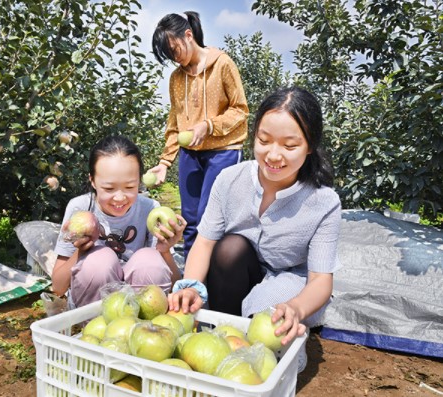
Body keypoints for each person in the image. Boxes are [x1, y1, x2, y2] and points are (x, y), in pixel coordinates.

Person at [168, 86, 342, 372]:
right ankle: (220, 333)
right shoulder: (229, 180)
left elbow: (321, 280)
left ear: (309, 146)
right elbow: (204, 242)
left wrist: (296, 308)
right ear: (254, 137)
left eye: (289, 146)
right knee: (229, 248)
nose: (273, 155)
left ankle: (258, 350)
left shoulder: (323, 202)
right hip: (238, 274)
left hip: (288, 281)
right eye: (264, 140)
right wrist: (192, 286)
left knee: (270, 335)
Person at [148, 11, 249, 259]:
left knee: (210, 216)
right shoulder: (176, 78)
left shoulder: (222, 64)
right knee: (190, 218)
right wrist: (164, 163)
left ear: (188, 35)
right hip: (190, 153)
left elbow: (240, 110)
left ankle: (219, 273)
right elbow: (175, 121)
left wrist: (208, 126)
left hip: (224, 150)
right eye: (169, 55)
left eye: (175, 49)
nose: (175, 58)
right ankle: (193, 280)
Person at [52, 135, 186, 307]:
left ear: (139, 181)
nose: (120, 197)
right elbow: (58, 288)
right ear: (92, 181)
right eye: (109, 188)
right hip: (93, 311)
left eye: (130, 187)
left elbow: (174, 285)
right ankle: (91, 325)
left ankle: (145, 326)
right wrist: (80, 252)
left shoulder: (150, 208)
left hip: (140, 309)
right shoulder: (80, 208)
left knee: (150, 260)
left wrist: (165, 251)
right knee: (98, 260)